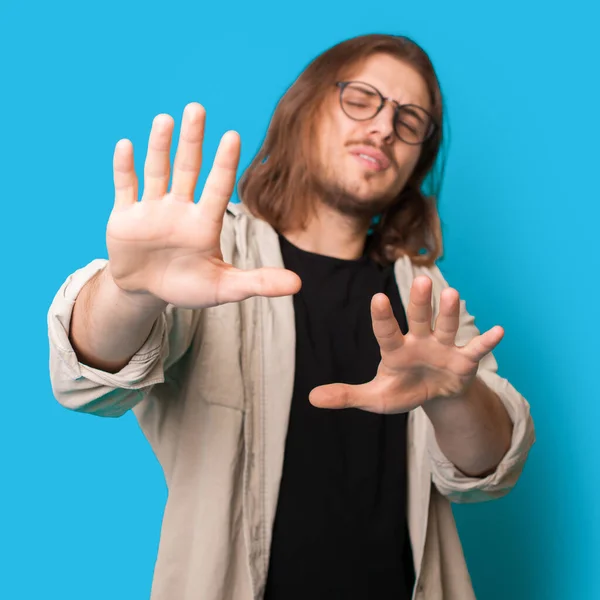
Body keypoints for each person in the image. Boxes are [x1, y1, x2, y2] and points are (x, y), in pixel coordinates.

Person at [47, 33, 535, 600]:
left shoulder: (426, 295)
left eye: (410, 120)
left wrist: (454, 399)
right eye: (362, 98)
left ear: (416, 160)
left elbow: (490, 469)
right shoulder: (214, 257)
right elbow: (86, 379)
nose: (383, 127)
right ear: (305, 108)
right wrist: (129, 293)